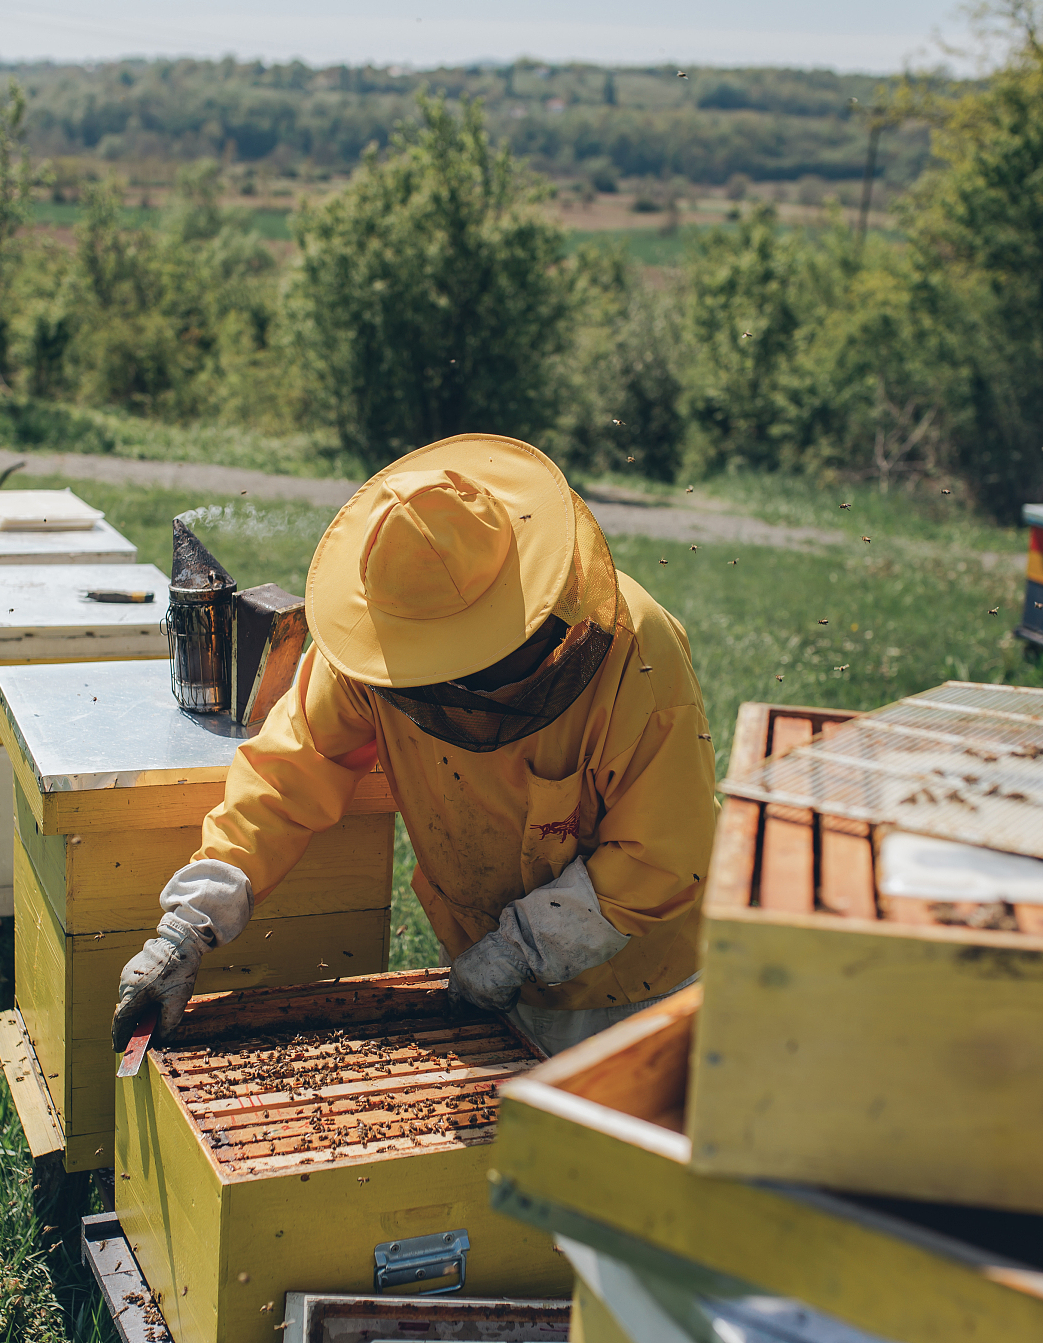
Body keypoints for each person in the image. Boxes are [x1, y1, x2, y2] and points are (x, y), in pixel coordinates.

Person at [112, 434, 715, 1056]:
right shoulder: (374, 651)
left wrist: (519, 949)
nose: (450, 689)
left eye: (466, 662)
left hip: (638, 990)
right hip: (486, 972)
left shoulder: (638, 654)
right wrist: (186, 928)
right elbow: (288, 774)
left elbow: (661, 855)